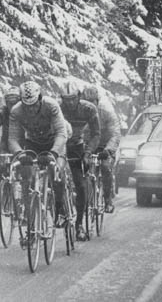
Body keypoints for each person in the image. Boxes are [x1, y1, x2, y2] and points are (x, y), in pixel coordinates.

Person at [8, 81, 68, 247]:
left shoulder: (51, 105)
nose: (31, 109)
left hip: (54, 142)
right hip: (33, 143)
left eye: (34, 105)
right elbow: (13, 138)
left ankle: (60, 209)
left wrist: (53, 153)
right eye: (27, 106)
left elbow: (61, 133)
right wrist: (20, 154)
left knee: (56, 171)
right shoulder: (16, 111)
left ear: (40, 99)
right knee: (27, 178)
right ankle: (31, 227)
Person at [59, 80, 100, 241]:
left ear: (79, 96)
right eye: (65, 99)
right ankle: (60, 212)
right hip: (61, 145)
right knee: (56, 180)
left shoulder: (89, 109)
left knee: (81, 186)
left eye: (72, 98)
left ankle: (79, 225)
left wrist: (88, 153)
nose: (69, 102)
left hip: (77, 146)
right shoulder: (58, 108)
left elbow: (96, 134)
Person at [82, 85, 121, 214]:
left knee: (105, 167)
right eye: (87, 102)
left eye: (92, 102)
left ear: (97, 101)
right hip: (90, 144)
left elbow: (115, 133)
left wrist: (109, 150)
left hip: (106, 145)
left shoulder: (106, 110)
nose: (90, 105)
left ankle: (108, 200)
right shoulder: (81, 111)